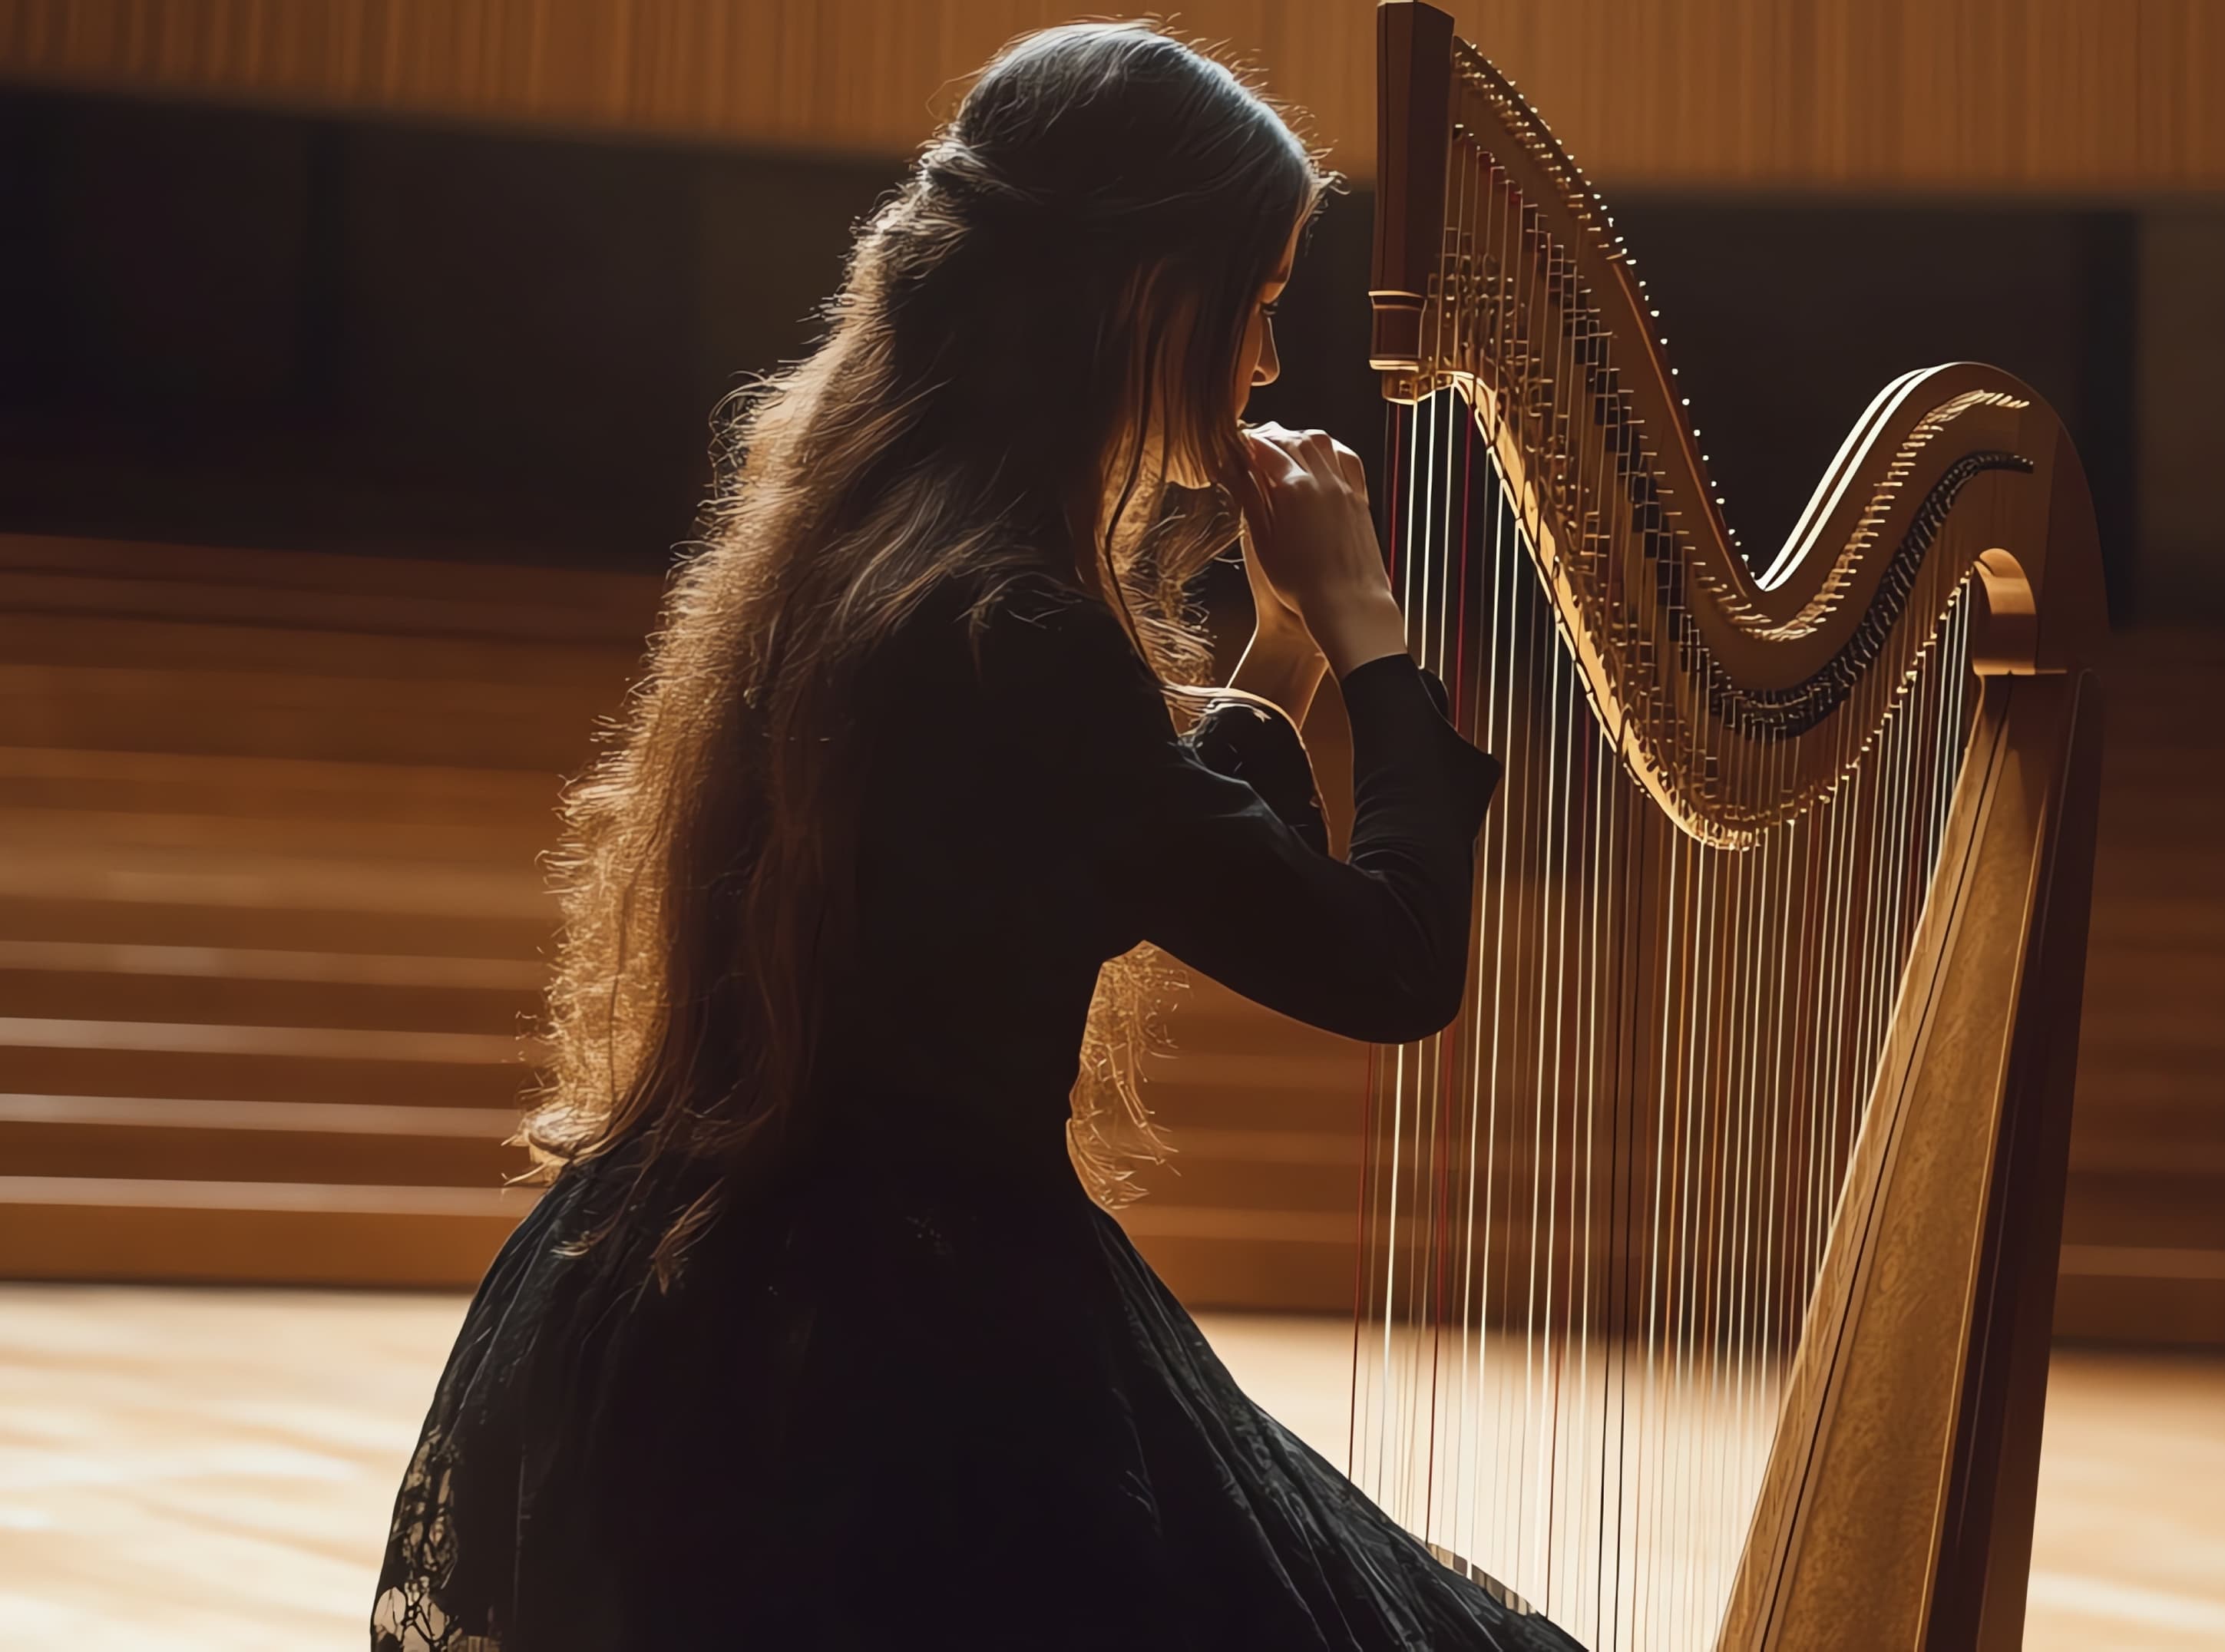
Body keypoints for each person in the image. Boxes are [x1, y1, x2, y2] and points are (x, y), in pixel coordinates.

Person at [373, 23, 1575, 1651]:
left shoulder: (870, 555)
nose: (1266, 360)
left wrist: (1288, 641)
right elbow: (1391, 963)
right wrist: (1370, 628)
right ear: (1141, 293)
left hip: (695, 1297)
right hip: (903, 1374)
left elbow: (1136, 828)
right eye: (1255, 300)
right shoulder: (1017, 636)